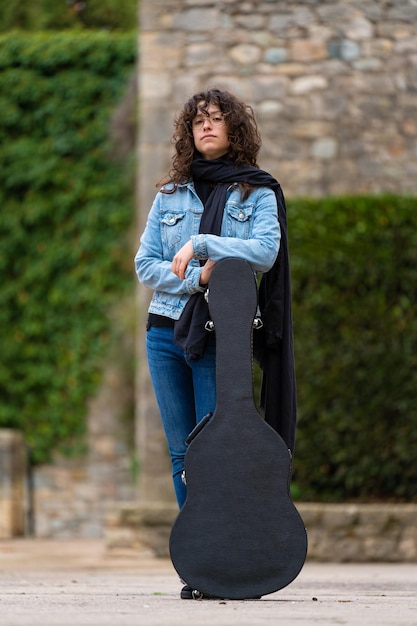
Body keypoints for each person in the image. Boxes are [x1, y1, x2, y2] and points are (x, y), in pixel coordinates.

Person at [135, 90, 296, 588]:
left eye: (217, 119)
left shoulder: (257, 192)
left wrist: (203, 244)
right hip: (165, 331)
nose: (207, 127)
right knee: (183, 453)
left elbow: (265, 252)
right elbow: (145, 265)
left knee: (216, 447)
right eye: (198, 121)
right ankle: (201, 561)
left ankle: (226, 555)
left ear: (234, 130)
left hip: (219, 336)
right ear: (188, 132)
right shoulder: (170, 195)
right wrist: (197, 279)